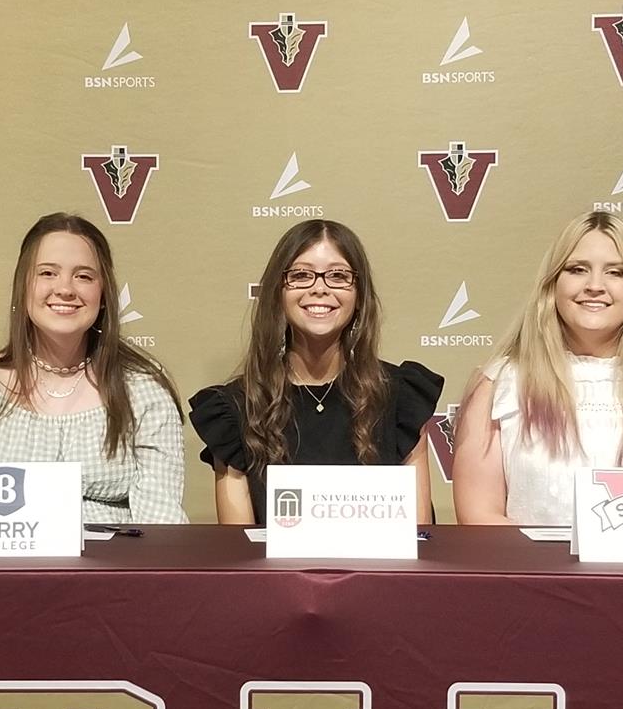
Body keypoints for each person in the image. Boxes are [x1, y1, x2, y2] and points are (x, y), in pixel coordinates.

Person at [452, 211, 623, 525]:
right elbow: (479, 518)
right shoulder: (500, 384)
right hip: (532, 574)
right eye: (577, 269)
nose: (595, 285)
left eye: (616, 272)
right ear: (552, 284)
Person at [0, 212, 184, 523]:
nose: (65, 289)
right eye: (48, 273)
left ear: (103, 295)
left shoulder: (143, 388)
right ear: (23, 287)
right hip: (7, 567)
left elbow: (161, 525)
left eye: (83, 276)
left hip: (116, 567)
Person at [189, 220, 442, 526]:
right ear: (277, 292)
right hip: (274, 575)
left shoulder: (402, 398)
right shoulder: (234, 409)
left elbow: (416, 535)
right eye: (301, 275)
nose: (319, 288)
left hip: (380, 574)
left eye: (338, 276)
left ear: (359, 295)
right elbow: (240, 546)